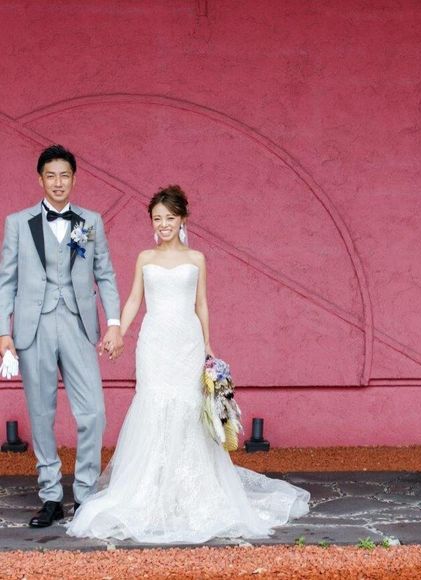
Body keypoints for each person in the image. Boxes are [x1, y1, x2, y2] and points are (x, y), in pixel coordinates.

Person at [67, 185, 309, 543]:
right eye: (157, 218)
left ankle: (191, 492)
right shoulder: (145, 258)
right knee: (153, 405)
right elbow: (134, 300)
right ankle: (151, 492)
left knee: (189, 409)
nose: (163, 224)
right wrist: (118, 331)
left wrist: (208, 344)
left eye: (169, 218)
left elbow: (202, 304)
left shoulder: (197, 259)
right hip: (154, 343)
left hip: (187, 343)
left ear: (182, 219)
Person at [0, 145, 123, 527]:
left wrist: (114, 322)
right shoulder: (18, 223)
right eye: (51, 175)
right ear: (40, 179)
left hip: (77, 323)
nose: (58, 182)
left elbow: (105, 274)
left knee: (94, 412)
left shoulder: (89, 221)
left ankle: (85, 494)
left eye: (64, 175)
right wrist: (3, 332)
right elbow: (6, 280)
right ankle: (51, 496)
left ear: (74, 179)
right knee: (41, 413)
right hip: (32, 327)